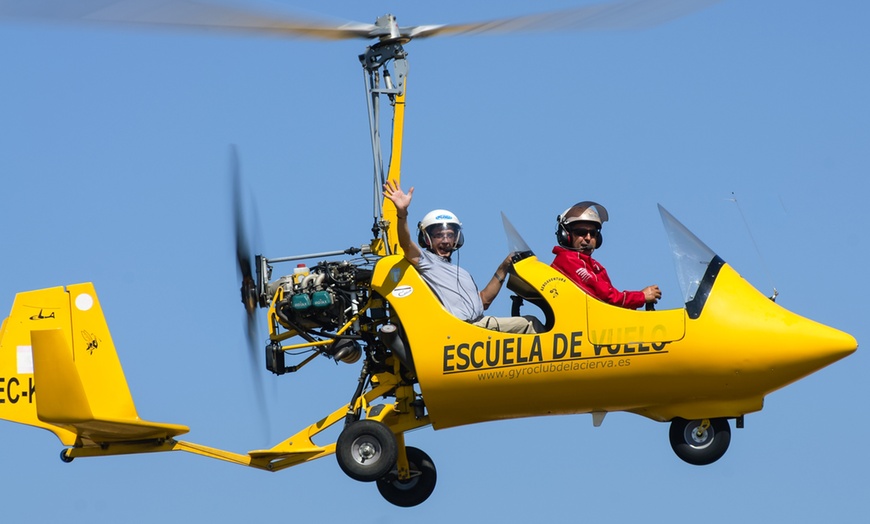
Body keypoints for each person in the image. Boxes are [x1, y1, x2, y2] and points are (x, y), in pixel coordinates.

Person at [383, 179, 542, 334]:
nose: (445, 240)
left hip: (478, 326)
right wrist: (402, 214)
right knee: (530, 324)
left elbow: (484, 301)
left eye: (450, 235)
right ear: (426, 239)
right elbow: (406, 244)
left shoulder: (463, 274)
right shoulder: (426, 262)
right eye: (439, 235)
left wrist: (504, 267)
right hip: (462, 329)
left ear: (457, 238)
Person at [551, 201, 661, 310]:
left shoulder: (595, 266)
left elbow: (611, 306)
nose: (588, 238)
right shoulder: (566, 260)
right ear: (566, 235)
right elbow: (604, 297)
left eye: (593, 234)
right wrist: (641, 297)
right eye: (581, 232)